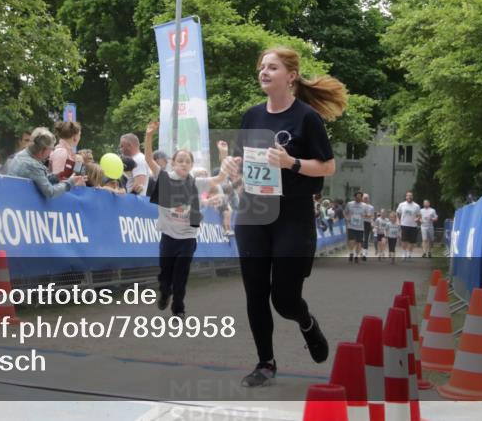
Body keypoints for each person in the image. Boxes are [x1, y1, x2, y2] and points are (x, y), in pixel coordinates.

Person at [224, 47, 347, 387]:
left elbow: (328, 166)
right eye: (262, 66)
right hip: (253, 212)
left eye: (272, 67)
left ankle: (306, 322)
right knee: (255, 293)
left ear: (290, 76)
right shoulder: (251, 116)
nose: (264, 72)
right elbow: (242, 163)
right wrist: (232, 166)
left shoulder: (306, 117)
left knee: (285, 299)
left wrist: (291, 163)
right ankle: (265, 362)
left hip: (292, 215)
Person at [143, 121, 229, 318]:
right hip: (168, 236)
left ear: (191, 166)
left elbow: (220, 178)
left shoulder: (197, 183)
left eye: (187, 161)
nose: (183, 163)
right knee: (166, 276)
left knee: (181, 276)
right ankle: (165, 293)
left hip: (188, 237)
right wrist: (149, 136)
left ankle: (179, 309)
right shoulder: (164, 178)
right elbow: (148, 159)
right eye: (179, 160)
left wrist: (223, 154)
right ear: (172, 163)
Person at [5, 127, 85, 198]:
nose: (51, 152)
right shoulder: (33, 165)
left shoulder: (21, 154)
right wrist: (69, 183)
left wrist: (55, 177)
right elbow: (51, 192)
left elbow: (38, 178)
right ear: (43, 150)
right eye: (51, 149)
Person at [397, 191, 422, 259]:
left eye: (411, 196)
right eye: (408, 196)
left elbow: (419, 215)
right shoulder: (402, 204)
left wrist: (417, 219)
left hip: (413, 225)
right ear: (406, 197)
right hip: (404, 224)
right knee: (404, 240)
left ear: (412, 197)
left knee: (412, 241)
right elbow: (398, 213)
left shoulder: (416, 206)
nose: (409, 197)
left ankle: (409, 253)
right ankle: (404, 253)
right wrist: (398, 221)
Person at [346, 192, 365, 262]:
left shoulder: (364, 205)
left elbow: (369, 215)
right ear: (354, 197)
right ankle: (351, 253)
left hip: (360, 227)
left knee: (359, 242)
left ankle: (356, 256)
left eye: (360, 197)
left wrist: (365, 216)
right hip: (351, 226)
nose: (358, 198)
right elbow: (345, 212)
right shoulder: (349, 204)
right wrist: (347, 218)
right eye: (357, 197)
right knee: (351, 240)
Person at [361, 192, 375, 257]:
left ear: (368, 199)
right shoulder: (359, 206)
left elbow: (371, 216)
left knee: (366, 238)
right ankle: (361, 250)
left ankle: (365, 252)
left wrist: (372, 223)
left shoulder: (371, 207)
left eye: (367, 198)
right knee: (360, 238)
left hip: (367, 223)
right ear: (362, 199)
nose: (365, 199)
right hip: (360, 223)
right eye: (364, 198)